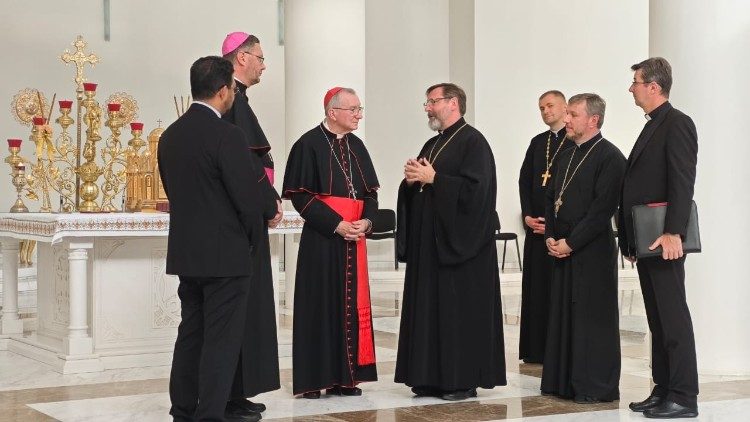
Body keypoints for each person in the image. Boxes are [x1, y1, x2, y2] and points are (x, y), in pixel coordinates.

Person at [159, 56, 264, 422]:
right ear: (223, 91)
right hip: (227, 257)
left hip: (188, 254)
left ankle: (183, 412)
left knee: (190, 336)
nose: (234, 94)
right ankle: (210, 417)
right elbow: (248, 201)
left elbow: (173, 191)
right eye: (233, 89)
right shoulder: (227, 135)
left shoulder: (170, 135)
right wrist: (251, 240)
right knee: (220, 342)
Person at [394, 83, 506, 401]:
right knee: (430, 312)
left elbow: (478, 193)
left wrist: (435, 180)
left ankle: (462, 380)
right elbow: (422, 189)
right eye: (426, 102)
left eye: (432, 102)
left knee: (459, 316)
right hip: (430, 248)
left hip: (462, 252)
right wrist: (411, 183)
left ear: (452, 103)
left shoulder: (474, 143)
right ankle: (429, 376)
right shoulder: (432, 143)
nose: (427, 108)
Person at [282, 87, 379, 399]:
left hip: (355, 237)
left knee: (349, 308)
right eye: (353, 109)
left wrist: (367, 221)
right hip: (323, 238)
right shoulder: (307, 144)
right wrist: (336, 224)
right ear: (332, 111)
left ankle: (345, 379)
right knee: (319, 307)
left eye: (359, 109)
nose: (358, 114)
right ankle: (314, 380)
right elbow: (300, 195)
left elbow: (370, 194)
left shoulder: (358, 146)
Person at [620, 57, 699, 419]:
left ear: (654, 86)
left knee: (673, 318)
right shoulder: (654, 124)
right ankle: (664, 387)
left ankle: (683, 395)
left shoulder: (677, 123)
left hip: (664, 239)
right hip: (647, 239)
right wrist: (633, 241)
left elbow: (681, 184)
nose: (631, 88)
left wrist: (672, 232)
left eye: (636, 82)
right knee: (657, 318)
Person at [541, 93, 625, 404]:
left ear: (593, 120)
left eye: (573, 115)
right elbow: (550, 200)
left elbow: (601, 211)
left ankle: (594, 386)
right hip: (561, 248)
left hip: (591, 252)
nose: (566, 120)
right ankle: (563, 381)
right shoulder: (565, 155)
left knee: (591, 320)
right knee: (564, 316)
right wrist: (551, 235)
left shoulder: (611, 158)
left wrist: (571, 243)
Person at [220, 31, 282, 419]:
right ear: (241, 57)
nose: (263, 64)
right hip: (241, 223)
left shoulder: (238, 100)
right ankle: (228, 395)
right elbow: (248, 167)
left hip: (248, 221)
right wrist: (269, 201)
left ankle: (238, 391)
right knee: (239, 310)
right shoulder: (233, 102)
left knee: (249, 310)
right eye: (260, 57)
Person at [518, 90, 572, 364]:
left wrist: (551, 224)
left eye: (550, 106)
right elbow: (524, 181)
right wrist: (527, 216)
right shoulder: (538, 142)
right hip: (534, 228)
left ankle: (555, 349)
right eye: (541, 107)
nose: (545, 111)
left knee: (555, 290)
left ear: (565, 108)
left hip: (558, 232)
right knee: (535, 290)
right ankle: (535, 348)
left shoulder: (574, 142)